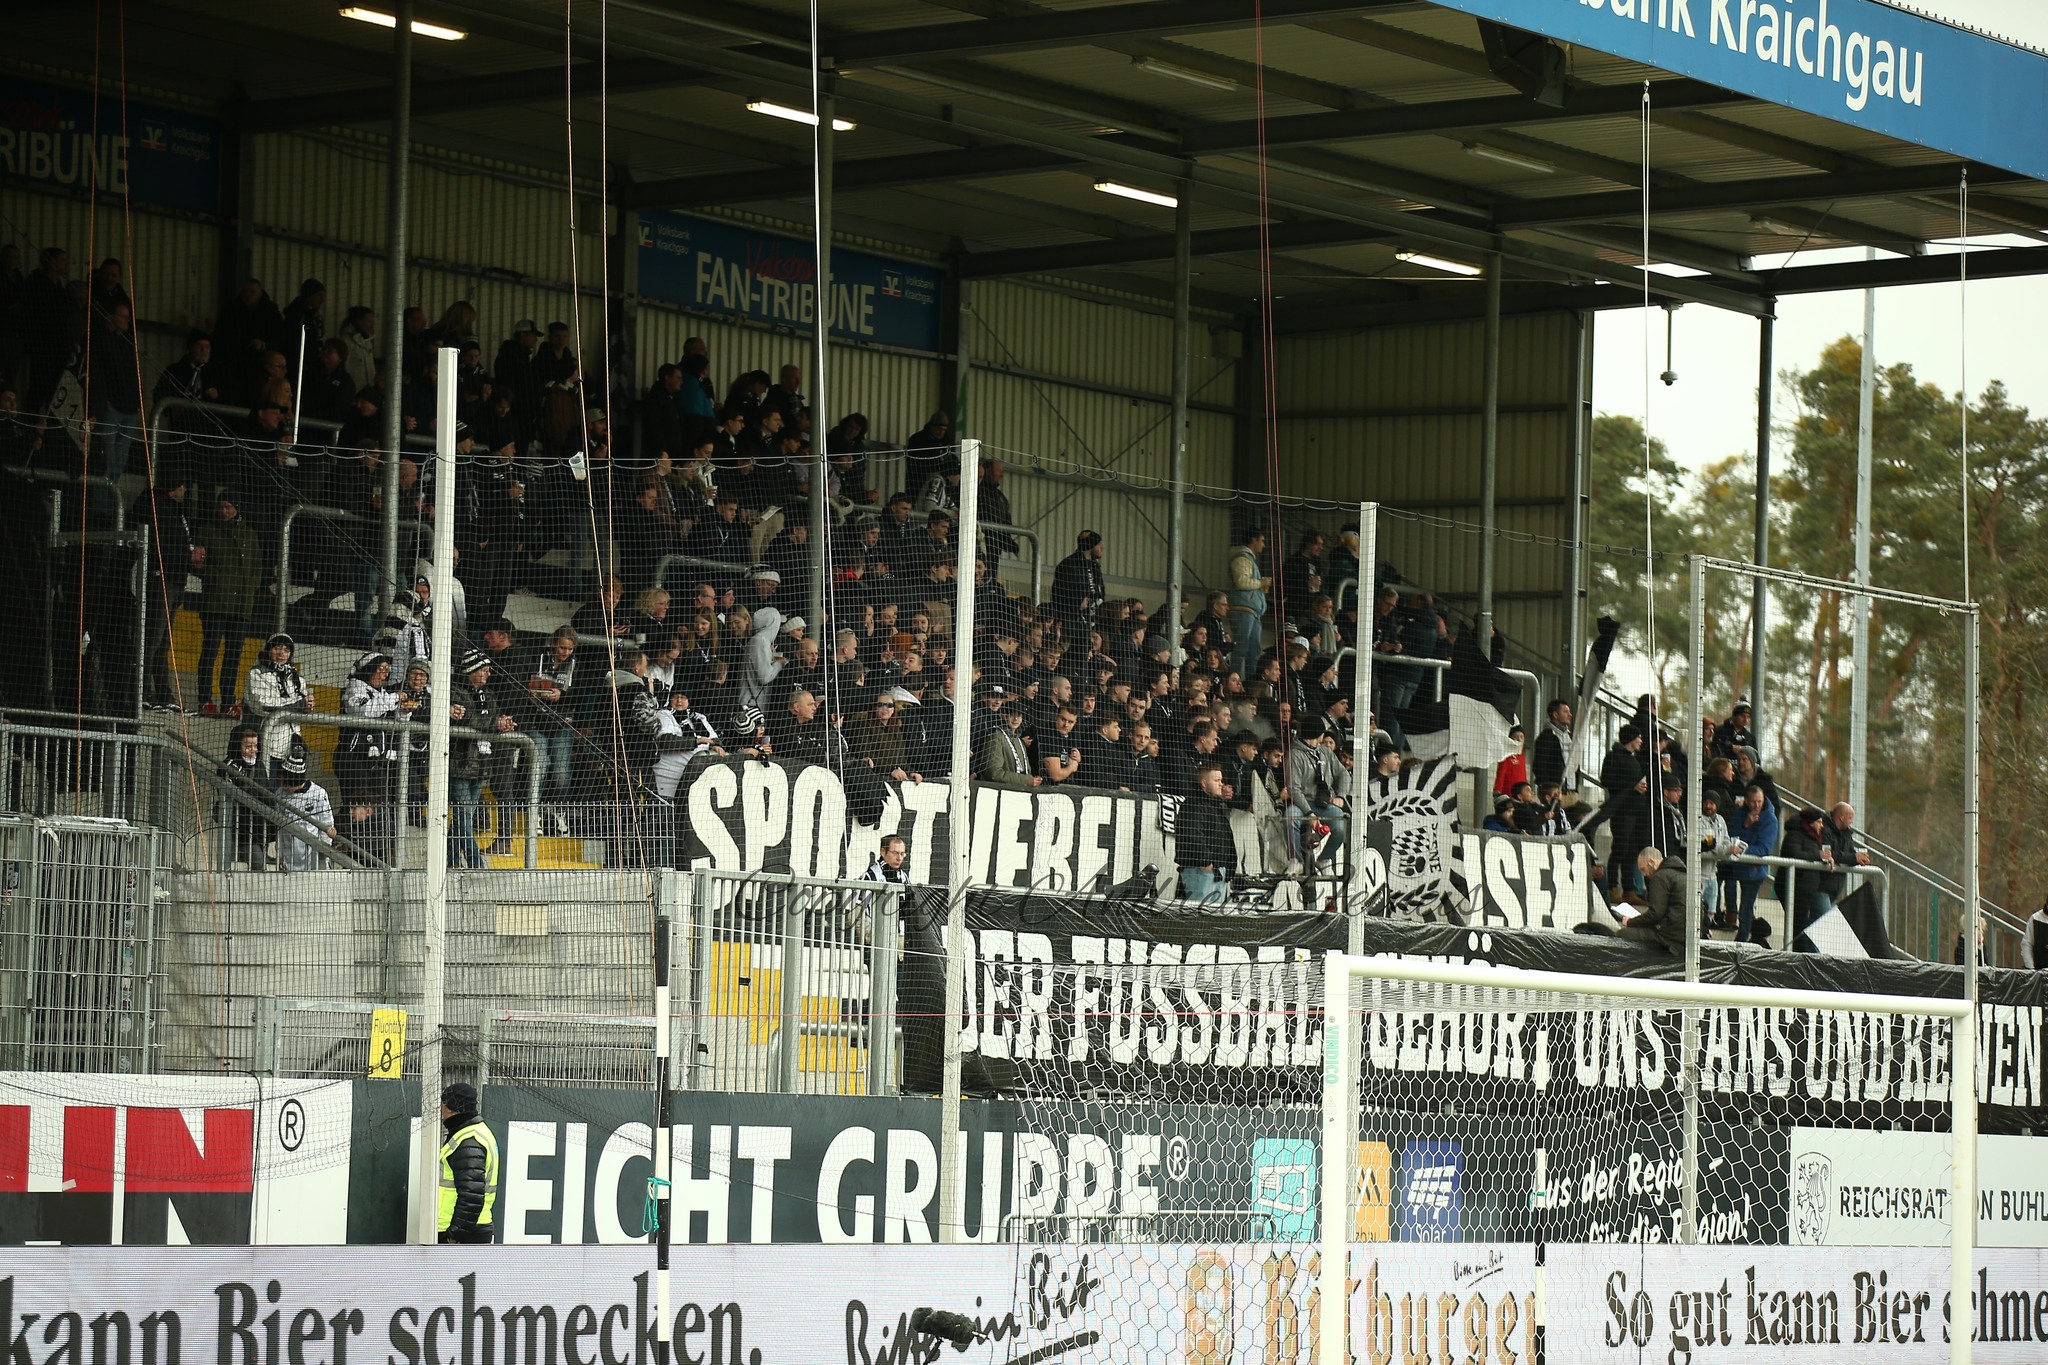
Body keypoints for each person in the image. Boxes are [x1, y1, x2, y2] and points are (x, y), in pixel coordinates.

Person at [196, 490, 263, 716]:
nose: (224, 511)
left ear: (237, 508)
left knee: (233, 655)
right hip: (215, 603)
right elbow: (197, 563)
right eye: (221, 506)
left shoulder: (250, 535)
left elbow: (257, 569)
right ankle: (205, 699)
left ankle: (228, 701)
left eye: (228, 507)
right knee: (210, 651)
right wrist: (214, 576)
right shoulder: (207, 531)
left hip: (241, 606)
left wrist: (250, 590)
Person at [437, 1082, 499, 1244]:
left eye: (442, 1105)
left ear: (449, 1108)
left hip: (461, 1233)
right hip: (470, 1229)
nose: (441, 1110)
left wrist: (454, 1236)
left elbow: (471, 1197)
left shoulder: (468, 1140)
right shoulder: (476, 1132)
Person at [243, 633, 312, 777]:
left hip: (292, 749)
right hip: (266, 747)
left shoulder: (298, 679)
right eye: (277, 648)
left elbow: (302, 706)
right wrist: (298, 704)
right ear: (268, 649)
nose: (281, 653)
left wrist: (307, 706)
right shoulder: (256, 673)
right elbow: (263, 706)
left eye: (286, 650)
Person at [1724, 783, 1780, 943]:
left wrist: (1741, 849)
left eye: (1759, 801)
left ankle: (1742, 939)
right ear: (1746, 801)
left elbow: (1764, 849)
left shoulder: (1770, 819)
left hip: (1754, 870)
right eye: (1753, 802)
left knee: (1746, 906)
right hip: (1736, 866)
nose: (1756, 805)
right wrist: (1746, 825)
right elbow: (1732, 836)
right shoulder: (1740, 814)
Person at [1175, 762, 1237, 905]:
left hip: (1218, 870)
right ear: (1203, 783)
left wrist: (1230, 865)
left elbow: (1227, 837)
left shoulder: (1216, 805)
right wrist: (1205, 862)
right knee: (1201, 919)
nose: (1221, 784)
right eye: (1216, 780)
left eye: (1221, 780)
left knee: (1212, 922)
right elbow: (1192, 835)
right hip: (1202, 872)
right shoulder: (1193, 805)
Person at [273, 751, 338, 873]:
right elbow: (279, 829)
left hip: (312, 859)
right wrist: (280, 855)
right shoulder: (279, 794)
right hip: (289, 859)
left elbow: (327, 824)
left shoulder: (318, 794)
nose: (284, 786)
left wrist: (323, 855)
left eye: (286, 783)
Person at [1777, 807, 1831, 950]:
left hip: (1805, 889)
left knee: (1801, 925)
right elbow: (1794, 853)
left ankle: (1799, 955)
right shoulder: (1795, 834)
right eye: (1819, 822)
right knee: (1797, 926)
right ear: (1811, 822)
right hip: (1794, 887)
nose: (1822, 825)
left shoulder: (1814, 837)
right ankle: (1796, 957)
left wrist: (1827, 859)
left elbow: (1812, 854)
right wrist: (1818, 856)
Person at [1617, 848, 1689, 953]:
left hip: (1670, 937)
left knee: (1622, 934)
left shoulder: (1660, 877)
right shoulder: (1684, 875)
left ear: (1652, 862)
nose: (1644, 874)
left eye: (1643, 869)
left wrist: (1630, 922)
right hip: (1686, 935)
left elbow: (1655, 914)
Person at [1051, 531, 1105, 636]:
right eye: (1099, 544)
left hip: (1092, 622)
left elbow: (1100, 589)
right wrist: (1077, 607)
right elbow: (1057, 595)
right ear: (1091, 545)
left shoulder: (1095, 567)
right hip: (1072, 625)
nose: (1102, 547)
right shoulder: (1068, 565)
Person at [1531, 698, 1574, 792]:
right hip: (1553, 792)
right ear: (1555, 715)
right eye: (1566, 712)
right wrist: (1548, 789)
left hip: (1571, 790)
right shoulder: (1545, 738)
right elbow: (1539, 766)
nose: (1570, 715)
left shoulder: (1571, 736)